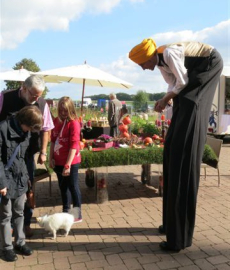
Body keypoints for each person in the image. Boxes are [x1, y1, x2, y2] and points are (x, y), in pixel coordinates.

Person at [129, 38, 223, 251]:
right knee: (178, 115)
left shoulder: (169, 53)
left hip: (209, 64)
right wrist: (167, 98)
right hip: (191, 73)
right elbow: (174, 86)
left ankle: (179, 237)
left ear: (150, 57)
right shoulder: (162, 65)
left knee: (190, 101)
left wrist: (165, 100)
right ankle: (172, 225)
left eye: (143, 64)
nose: (144, 69)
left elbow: (182, 83)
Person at [0, 74, 54, 237]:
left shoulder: (42, 104)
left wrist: (43, 151)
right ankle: (6, 224)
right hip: (4, 155)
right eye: (33, 94)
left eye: (39, 95)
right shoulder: (4, 97)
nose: (36, 98)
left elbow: (47, 129)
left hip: (27, 155)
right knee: (4, 188)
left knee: (27, 189)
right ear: (23, 88)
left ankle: (25, 223)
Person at [0, 106, 43, 262]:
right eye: (29, 128)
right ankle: (6, 248)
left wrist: (27, 178)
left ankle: (20, 243)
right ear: (23, 121)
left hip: (20, 179)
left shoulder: (26, 131)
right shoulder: (2, 129)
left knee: (20, 212)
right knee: (6, 216)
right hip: (5, 179)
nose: (29, 132)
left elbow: (24, 157)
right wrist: (1, 183)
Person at [49, 96, 82, 222]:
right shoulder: (57, 121)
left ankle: (77, 214)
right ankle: (66, 211)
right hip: (58, 160)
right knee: (63, 187)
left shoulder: (73, 123)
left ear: (71, 109)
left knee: (73, 186)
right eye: (61, 110)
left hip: (71, 161)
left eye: (65, 110)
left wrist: (67, 165)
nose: (63, 113)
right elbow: (53, 141)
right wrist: (51, 157)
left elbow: (74, 145)